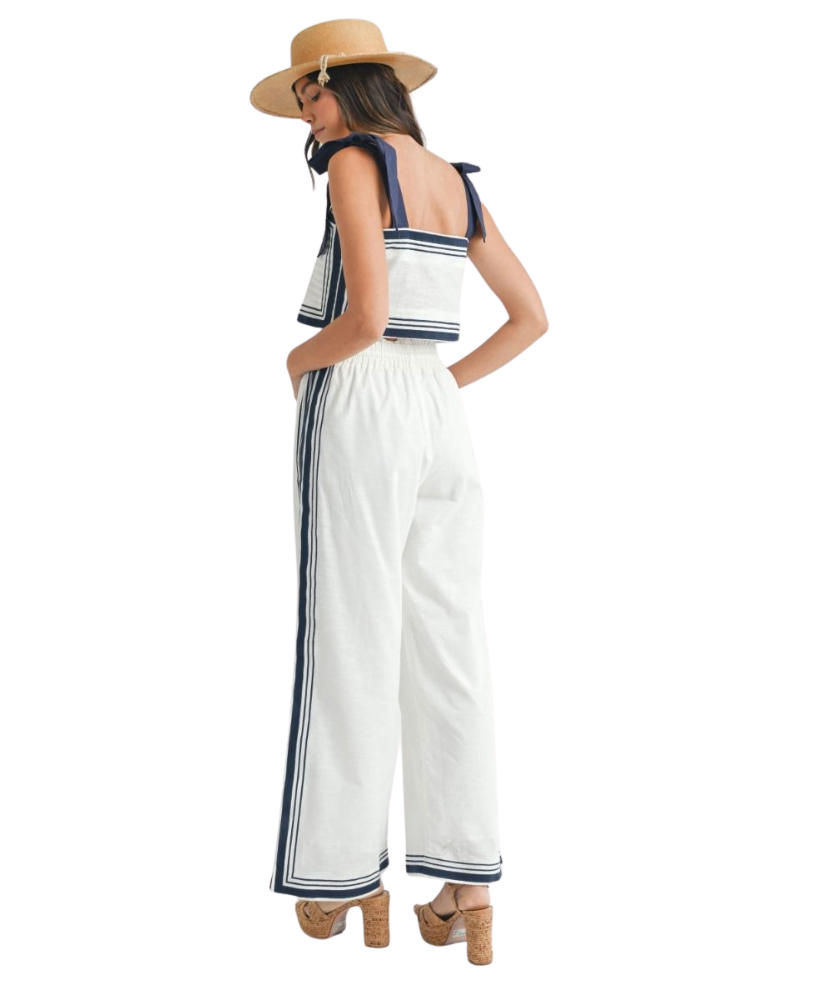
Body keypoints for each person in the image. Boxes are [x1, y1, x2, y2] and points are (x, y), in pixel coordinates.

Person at [250, 18, 548, 964]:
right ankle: (466, 890)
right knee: (448, 638)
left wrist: (298, 361)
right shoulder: (453, 180)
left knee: (350, 631)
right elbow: (530, 317)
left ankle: (346, 881)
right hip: (433, 412)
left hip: (360, 400)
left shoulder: (352, 161)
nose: (307, 114)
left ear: (349, 88)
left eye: (311, 94)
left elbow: (367, 317)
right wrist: (439, 386)